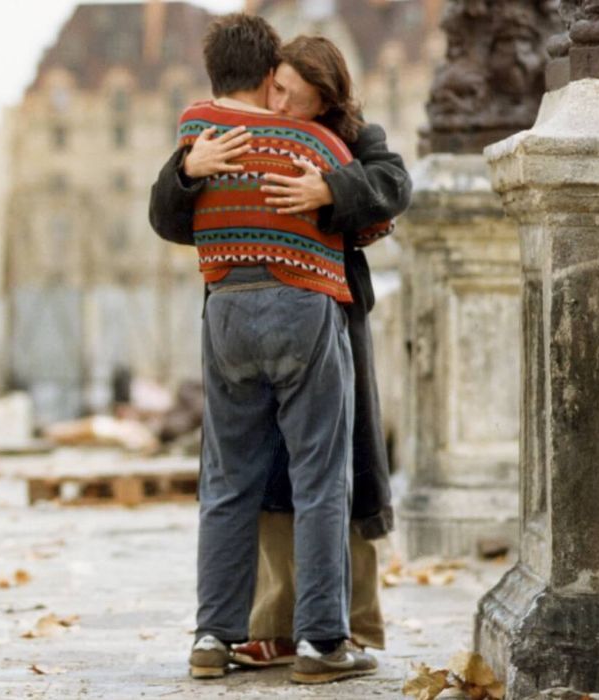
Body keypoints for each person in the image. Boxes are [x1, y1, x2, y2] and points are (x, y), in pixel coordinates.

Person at [150, 34, 410, 682]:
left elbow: (390, 187)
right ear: (267, 75)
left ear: (323, 94)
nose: (280, 102)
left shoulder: (207, 130)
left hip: (233, 308)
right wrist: (188, 170)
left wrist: (332, 191)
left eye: (292, 94)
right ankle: (321, 642)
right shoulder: (314, 144)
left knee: (230, 482)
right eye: (277, 88)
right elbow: (381, 227)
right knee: (320, 480)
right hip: (307, 310)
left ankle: (214, 638)